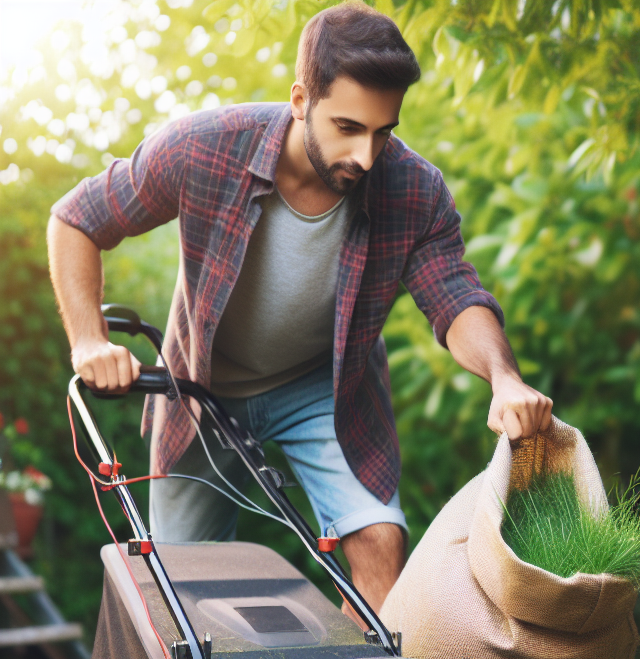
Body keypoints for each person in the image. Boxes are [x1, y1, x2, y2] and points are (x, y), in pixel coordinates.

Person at [47, 1, 552, 617]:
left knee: (380, 542)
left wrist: (504, 379)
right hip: (201, 390)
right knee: (176, 598)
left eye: (383, 131)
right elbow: (77, 219)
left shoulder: (413, 190)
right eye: (347, 127)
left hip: (325, 391)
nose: (366, 156)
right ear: (299, 100)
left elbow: (454, 296)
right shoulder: (204, 149)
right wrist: (89, 340)